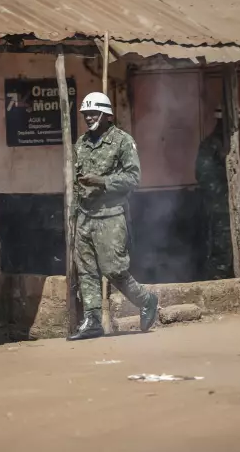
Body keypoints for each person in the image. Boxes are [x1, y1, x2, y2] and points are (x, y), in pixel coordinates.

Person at [67, 92, 159, 341]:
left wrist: (102, 181)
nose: (88, 118)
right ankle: (92, 321)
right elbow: (75, 182)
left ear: (107, 115)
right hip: (84, 215)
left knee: (113, 269)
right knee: (86, 270)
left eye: (93, 113)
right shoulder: (81, 144)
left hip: (111, 216)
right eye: (86, 114)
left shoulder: (122, 141)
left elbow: (133, 178)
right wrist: (74, 214)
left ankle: (146, 300)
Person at [195, 108, 232, 279]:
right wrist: (223, 193)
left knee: (228, 251)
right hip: (217, 209)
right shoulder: (211, 145)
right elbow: (202, 175)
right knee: (219, 252)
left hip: (227, 208)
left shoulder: (228, 144)